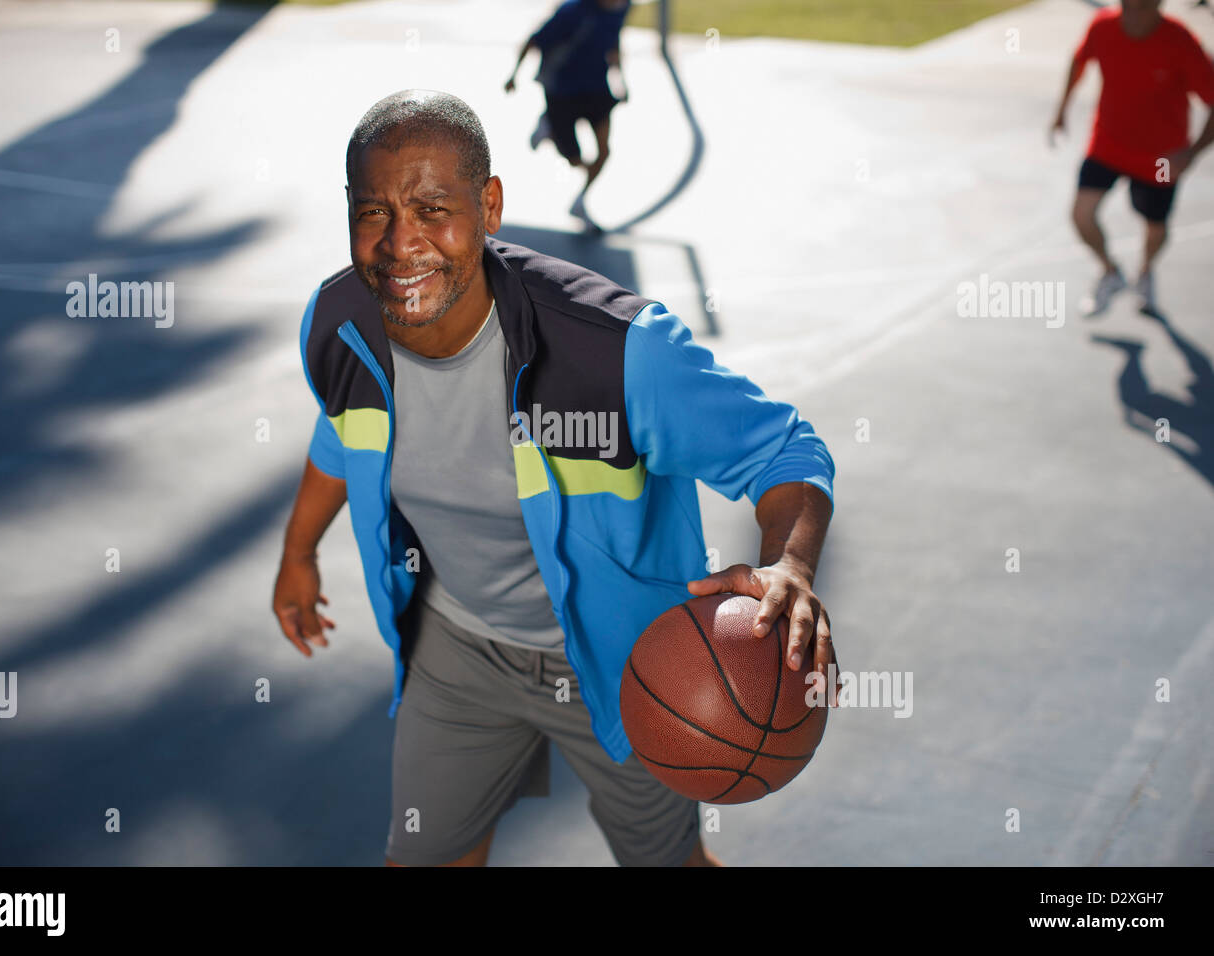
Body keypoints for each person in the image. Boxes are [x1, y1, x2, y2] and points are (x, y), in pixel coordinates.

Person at [273, 90, 836, 867]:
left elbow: (784, 452)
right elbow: (344, 431)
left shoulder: (615, 350)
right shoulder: (340, 327)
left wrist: (790, 564)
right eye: (373, 212)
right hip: (459, 648)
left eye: (434, 208)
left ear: (490, 204)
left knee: (667, 864)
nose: (401, 243)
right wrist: (299, 550)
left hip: (626, 661)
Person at [1050, 0, 1214, 316]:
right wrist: (1061, 111)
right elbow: (1078, 59)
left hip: (1162, 158)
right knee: (1081, 215)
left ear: (1158, 4)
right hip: (1107, 144)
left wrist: (1191, 153)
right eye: (1127, 5)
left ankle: (1146, 271)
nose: (1133, 14)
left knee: (1156, 227)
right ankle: (1111, 272)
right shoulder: (1102, 26)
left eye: (1141, 7)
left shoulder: (1181, 41)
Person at [504, 0, 630, 204]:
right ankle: (550, 127)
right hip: (562, 92)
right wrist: (514, 75)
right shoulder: (572, 12)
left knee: (604, 151)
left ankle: (581, 201)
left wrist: (621, 80)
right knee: (574, 160)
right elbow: (534, 40)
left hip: (597, 88)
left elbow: (613, 41)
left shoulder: (622, 7)